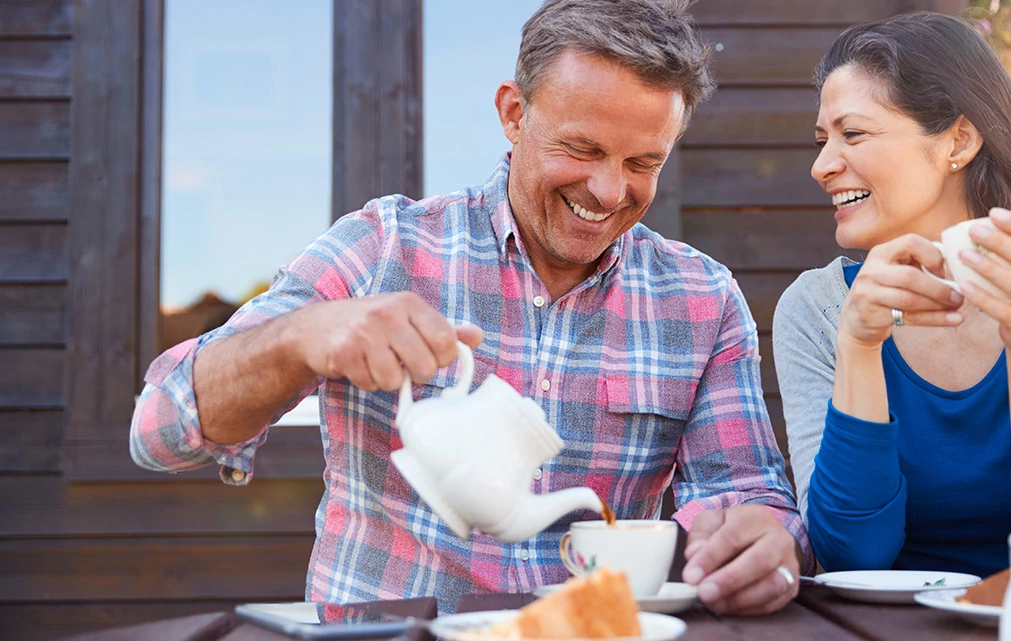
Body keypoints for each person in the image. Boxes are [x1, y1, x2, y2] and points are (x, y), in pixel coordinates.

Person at [131, 0, 809, 615]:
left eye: (643, 162)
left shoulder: (701, 298)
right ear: (513, 113)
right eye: (583, 149)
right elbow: (159, 431)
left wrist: (767, 538)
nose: (609, 190)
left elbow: (746, 493)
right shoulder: (382, 246)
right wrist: (300, 337)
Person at [773, 11, 1011, 595]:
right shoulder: (816, 310)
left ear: (959, 141)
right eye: (823, 141)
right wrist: (860, 347)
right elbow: (850, 556)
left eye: (854, 134)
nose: (822, 166)